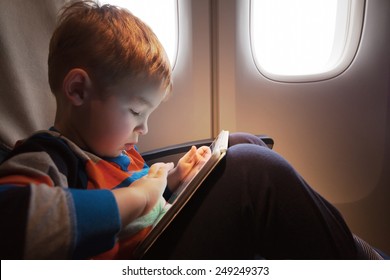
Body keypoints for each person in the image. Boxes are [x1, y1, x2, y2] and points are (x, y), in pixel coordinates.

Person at [0, 1, 382, 260]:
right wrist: (141, 196)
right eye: (135, 111)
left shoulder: (110, 149)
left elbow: (129, 189)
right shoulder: (48, 158)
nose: (144, 127)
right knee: (253, 172)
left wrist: (174, 180)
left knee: (238, 143)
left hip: (155, 240)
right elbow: (15, 222)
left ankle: (363, 258)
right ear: (78, 91)